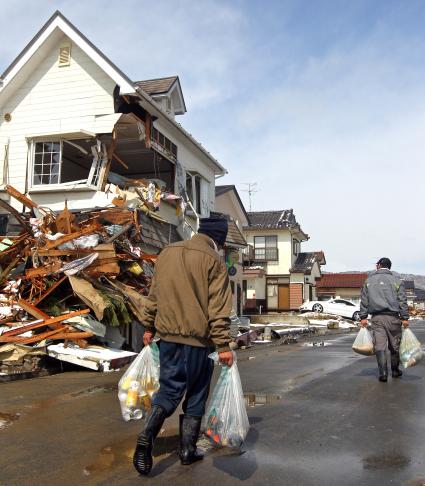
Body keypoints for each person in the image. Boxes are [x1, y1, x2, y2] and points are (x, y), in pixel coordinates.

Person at [133, 216, 234, 476]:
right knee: (197, 392)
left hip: (167, 338)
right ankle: (187, 451)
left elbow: (153, 296)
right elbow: (218, 309)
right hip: (197, 341)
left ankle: (147, 434)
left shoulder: (167, 253)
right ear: (219, 240)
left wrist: (148, 328)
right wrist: (223, 345)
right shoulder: (214, 261)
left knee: (168, 391)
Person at [359, 257, 409, 382]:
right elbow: (402, 301)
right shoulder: (397, 281)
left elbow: (364, 300)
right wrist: (404, 318)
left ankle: (383, 374)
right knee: (394, 346)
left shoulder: (368, 281)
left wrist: (363, 317)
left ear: (379, 265)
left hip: (377, 318)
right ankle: (395, 371)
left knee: (380, 346)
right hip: (393, 318)